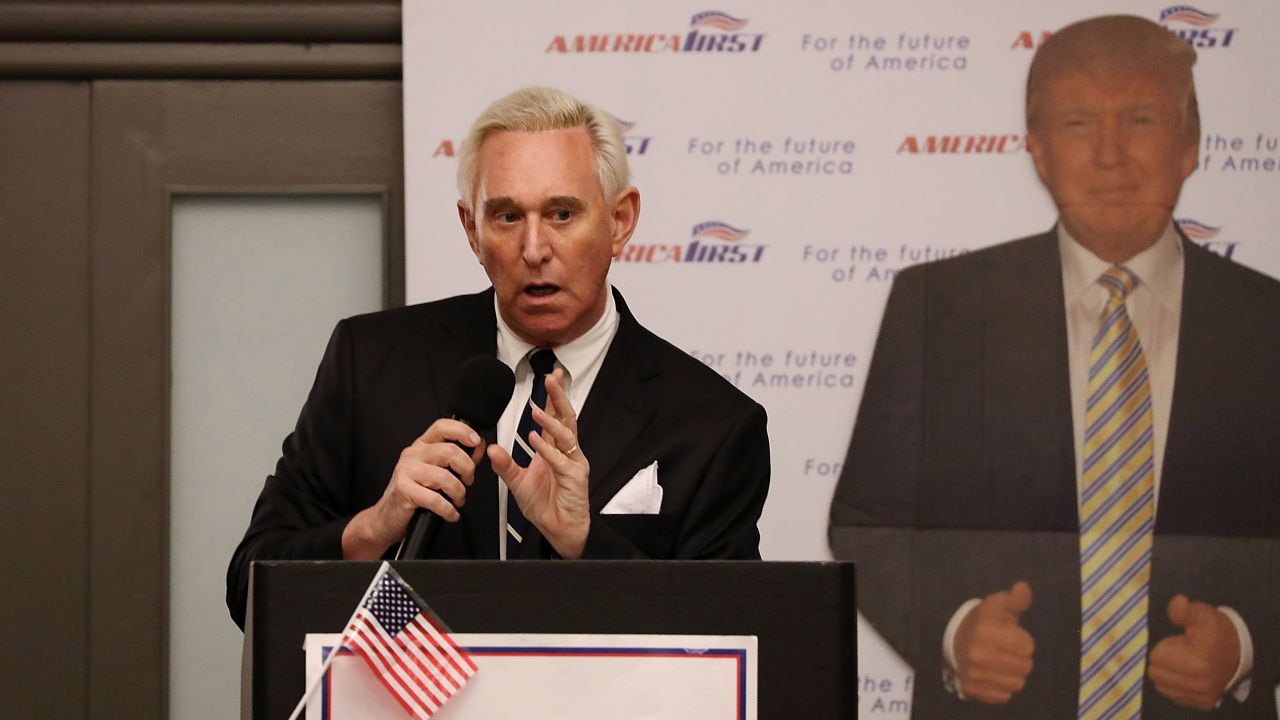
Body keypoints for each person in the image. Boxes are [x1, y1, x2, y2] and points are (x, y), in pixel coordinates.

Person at [829, 15, 1279, 719]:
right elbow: (866, 524)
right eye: (1076, 124)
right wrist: (950, 629)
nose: (1108, 155)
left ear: (1190, 144)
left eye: (1139, 119)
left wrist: (1249, 645)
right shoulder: (939, 308)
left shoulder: (1269, 324)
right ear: (1036, 150)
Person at [227, 86, 770, 629]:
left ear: (620, 221)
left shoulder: (714, 426)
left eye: (562, 214)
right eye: (507, 217)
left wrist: (587, 544)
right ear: (471, 229)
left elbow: (728, 643)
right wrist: (374, 527)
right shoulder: (370, 364)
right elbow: (248, 587)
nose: (534, 249)